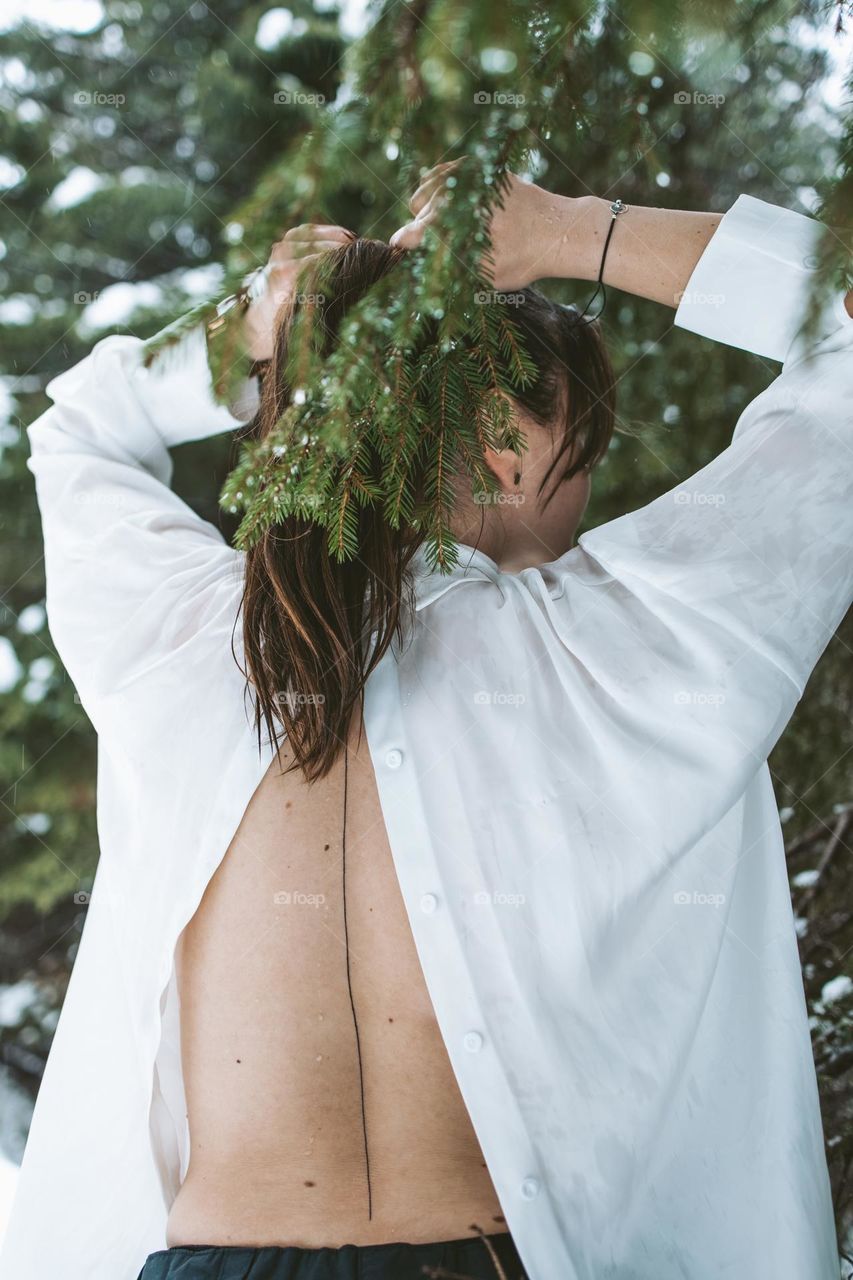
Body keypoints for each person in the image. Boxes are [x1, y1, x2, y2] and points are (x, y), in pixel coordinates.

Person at [1, 164, 851, 1280]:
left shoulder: (187, 642)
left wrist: (255, 326)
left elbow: (81, 433)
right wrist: (568, 230)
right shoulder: (627, 644)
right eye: (579, 455)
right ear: (509, 442)